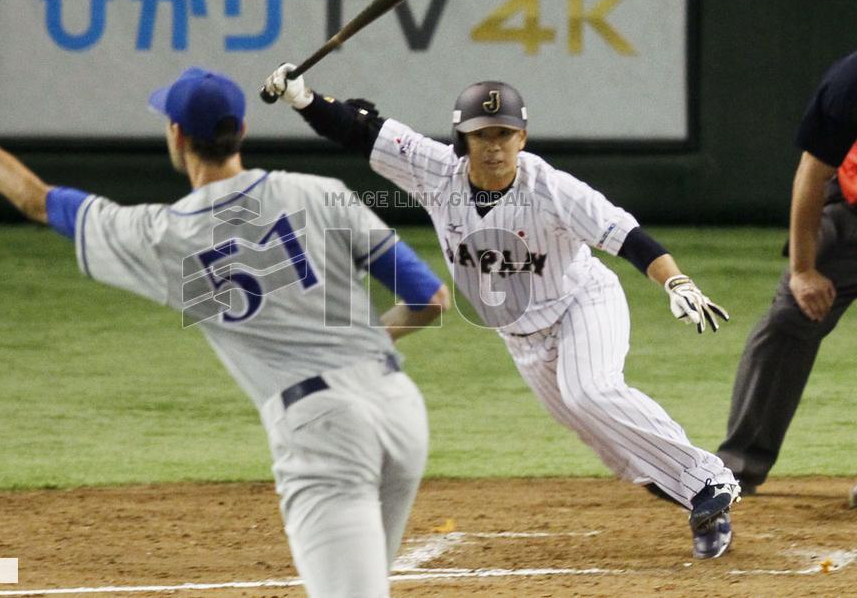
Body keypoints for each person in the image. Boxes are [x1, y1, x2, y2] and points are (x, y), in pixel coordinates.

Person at [0, 17, 452, 597]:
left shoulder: (165, 237)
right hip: (400, 410)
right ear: (241, 128)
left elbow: (38, 202)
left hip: (323, 432)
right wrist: (356, 346)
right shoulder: (320, 193)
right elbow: (431, 300)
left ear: (175, 135)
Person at [264, 64, 741, 560]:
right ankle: (696, 498)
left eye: (505, 134)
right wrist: (302, 98)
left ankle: (709, 481)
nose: (494, 145)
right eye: (482, 134)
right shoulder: (434, 172)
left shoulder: (552, 189)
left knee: (591, 391)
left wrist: (676, 281)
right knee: (616, 449)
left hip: (582, 305)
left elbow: (630, 238)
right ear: (461, 139)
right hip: (521, 339)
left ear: (523, 137)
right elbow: (363, 131)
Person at [717, 51, 857, 497]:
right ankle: (738, 464)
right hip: (852, 212)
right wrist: (802, 270)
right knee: (788, 321)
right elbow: (811, 174)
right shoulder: (850, 81)